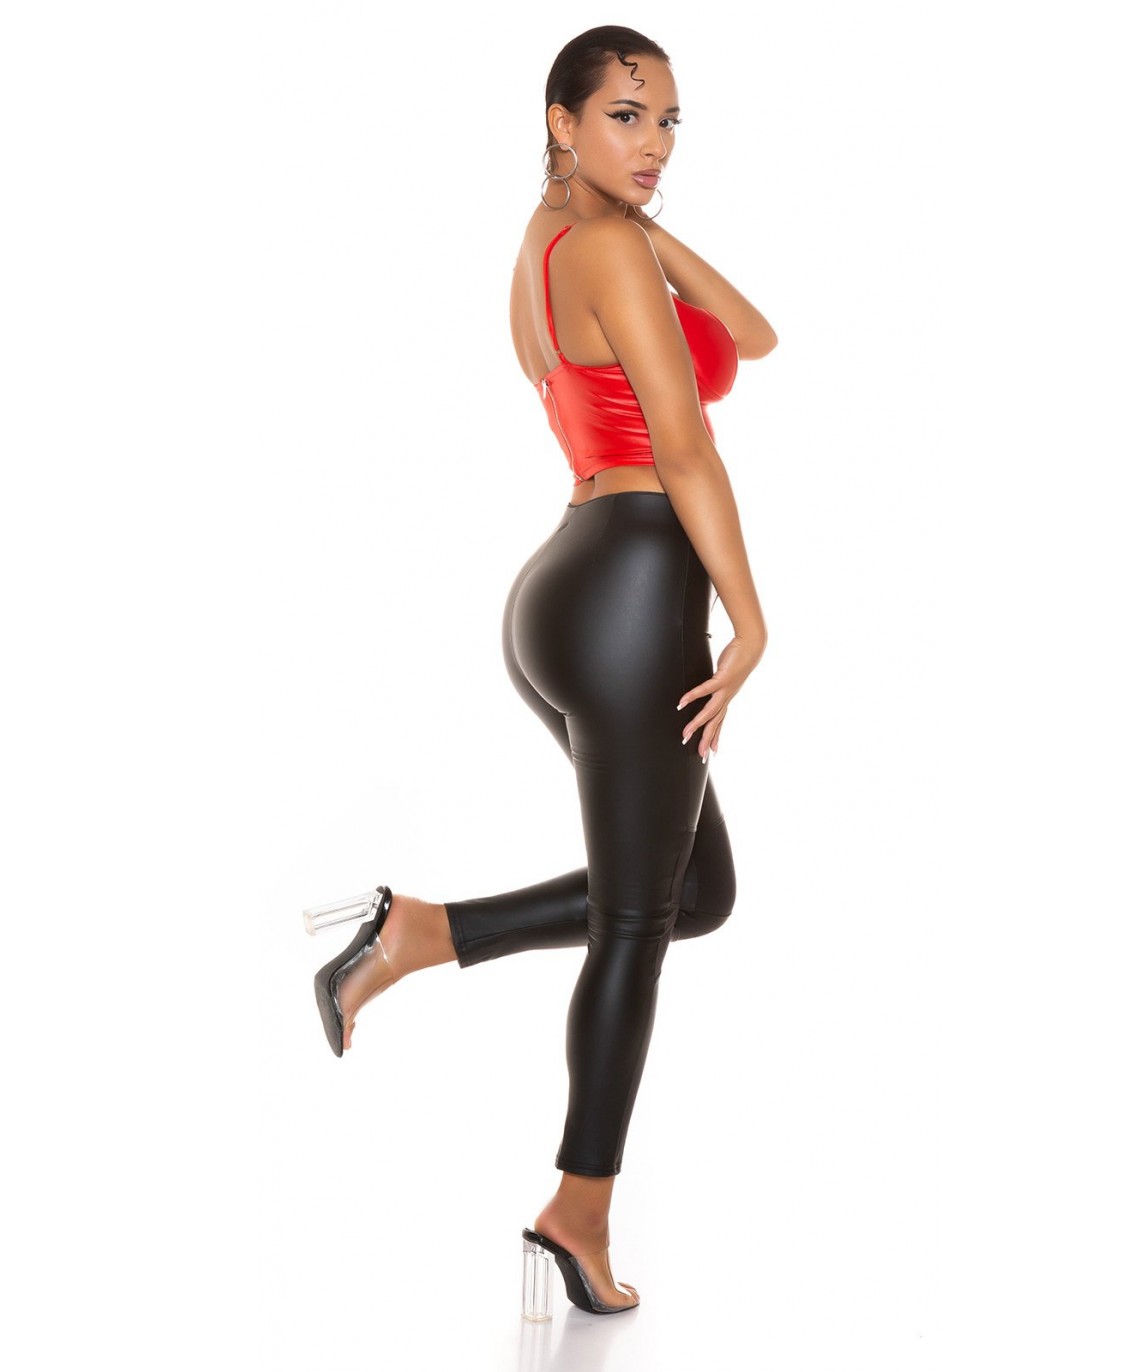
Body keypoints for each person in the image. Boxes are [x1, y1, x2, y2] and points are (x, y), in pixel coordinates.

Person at [305, 25, 775, 1316]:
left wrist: (638, 214)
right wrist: (750, 621)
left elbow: (753, 334)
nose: (655, 142)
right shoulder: (603, 248)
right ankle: (580, 1208)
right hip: (634, 588)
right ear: (561, 119)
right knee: (637, 922)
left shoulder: (557, 240)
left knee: (694, 892)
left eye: (668, 122)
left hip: (571, 587)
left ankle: (422, 934)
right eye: (626, 115)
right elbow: (685, 449)